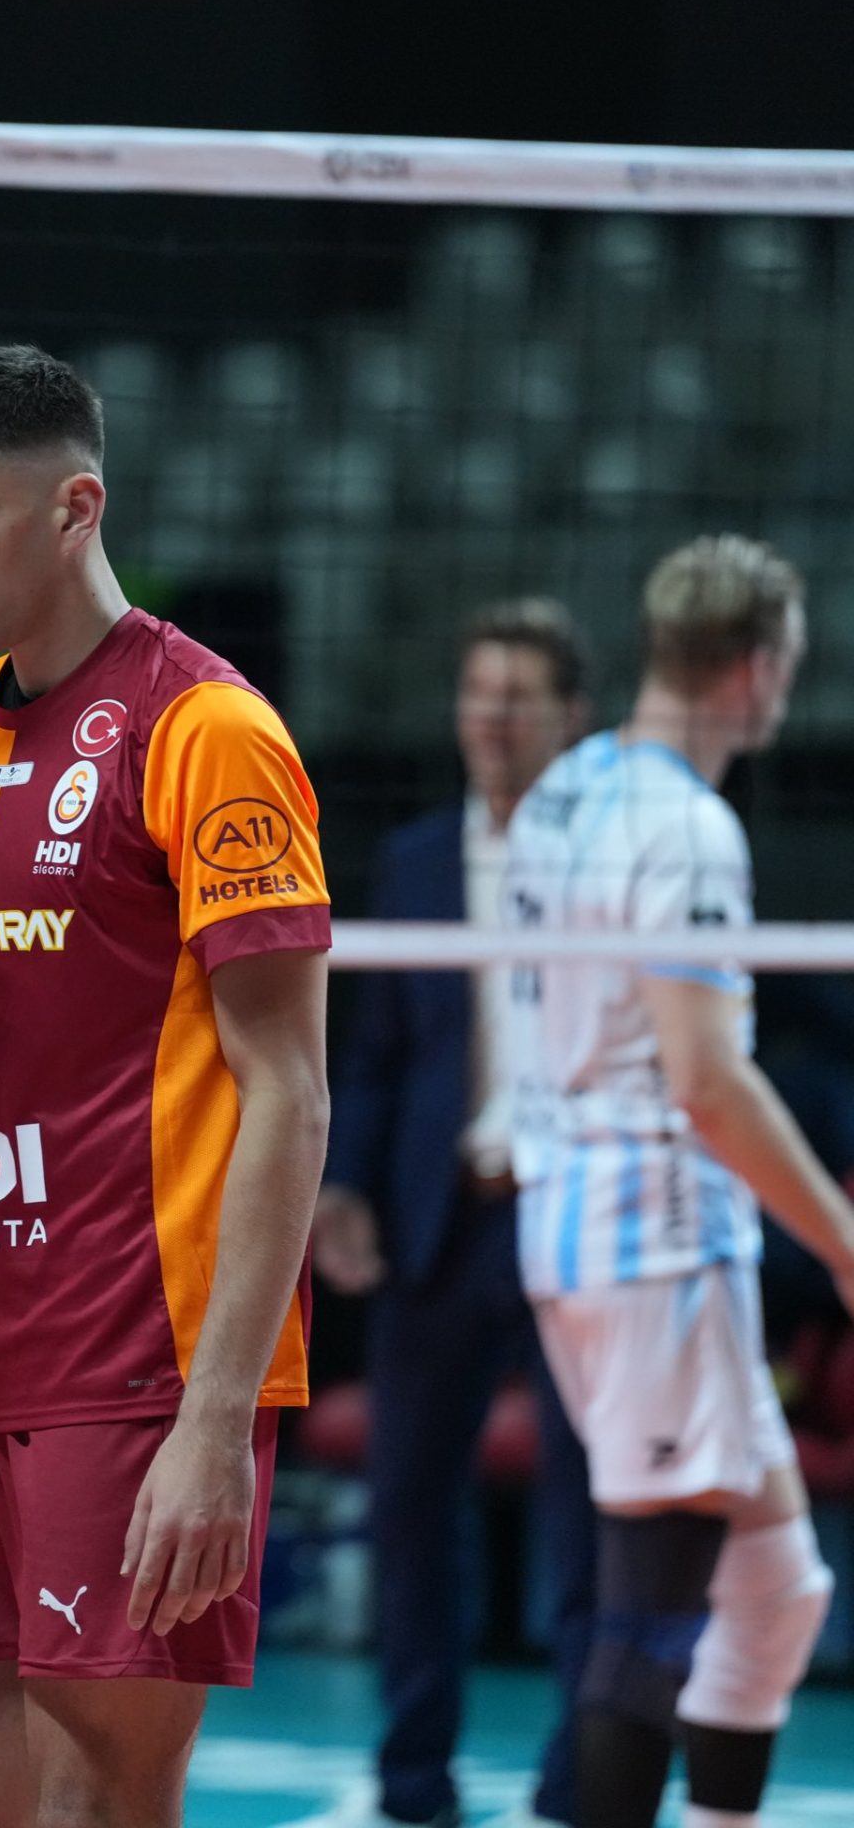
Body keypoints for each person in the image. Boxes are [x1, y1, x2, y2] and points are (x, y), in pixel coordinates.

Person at [0, 344, 332, 1828]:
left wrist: (215, 1420)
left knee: (97, 1802)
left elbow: (289, 1091)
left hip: (138, 1367)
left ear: (76, 508)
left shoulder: (210, 731)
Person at [504, 535, 854, 1828]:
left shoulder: (564, 789)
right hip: (654, 1249)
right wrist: (846, 1241)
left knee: (777, 1594)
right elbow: (707, 1082)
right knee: (649, 1623)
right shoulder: (691, 829)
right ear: (756, 669)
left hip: (577, 1229)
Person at [312, 599, 599, 1828]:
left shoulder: (615, 858)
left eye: (518, 698)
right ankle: (413, 1780)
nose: (492, 718)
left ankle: (584, 1784)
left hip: (575, 1218)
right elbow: (377, 1051)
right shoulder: (420, 858)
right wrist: (343, 1184)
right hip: (445, 1220)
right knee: (412, 1507)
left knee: (590, 1514)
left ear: (571, 718)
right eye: (479, 694)